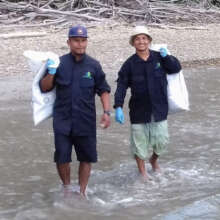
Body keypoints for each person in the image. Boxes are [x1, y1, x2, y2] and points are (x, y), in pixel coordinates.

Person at [40, 25, 111, 197]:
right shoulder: (59, 63)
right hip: (62, 120)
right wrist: (51, 72)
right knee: (62, 157)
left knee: (86, 158)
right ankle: (66, 187)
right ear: (69, 42)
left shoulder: (93, 65)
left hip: (85, 120)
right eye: (76, 41)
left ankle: (82, 191)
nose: (80, 44)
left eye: (83, 40)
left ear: (86, 42)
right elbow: (44, 87)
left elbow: (103, 89)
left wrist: (107, 112)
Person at [114, 26, 181, 180]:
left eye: (144, 38)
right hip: (138, 111)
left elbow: (176, 68)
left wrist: (167, 57)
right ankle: (143, 172)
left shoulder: (160, 57)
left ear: (149, 41)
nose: (141, 41)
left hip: (159, 109)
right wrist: (118, 107)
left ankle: (154, 160)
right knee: (139, 145)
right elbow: (121, 86)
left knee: (162, 142)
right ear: (133, 43)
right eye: (137, 39)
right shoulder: (129, 64)